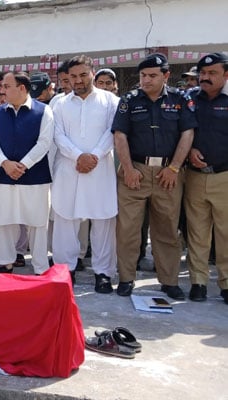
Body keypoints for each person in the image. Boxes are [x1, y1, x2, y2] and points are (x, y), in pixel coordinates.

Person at [112, 53, 196, 300]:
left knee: (167, 229)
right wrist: (127, 169)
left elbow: (188, 133)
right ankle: (126, 278)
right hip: (135, 170)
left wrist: (174, 168)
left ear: (166, 76)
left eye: (152, 76)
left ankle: (169, 281)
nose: (146, 80)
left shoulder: (180, 99)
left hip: (167, 174)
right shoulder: (129, 100)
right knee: (128, 229)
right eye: (143, 76)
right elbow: (120, 135)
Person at [50, 55, 119, 291]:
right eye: (73, 77)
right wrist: (78, 155)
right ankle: (65, 270)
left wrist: (95, 156)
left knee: (102, 221)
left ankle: (103, 273)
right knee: (65, 220)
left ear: (92, 73)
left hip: (100, 169)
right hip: (69, 168)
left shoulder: (110, 101)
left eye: (82, 75)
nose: (78, 80)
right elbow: (57, 134)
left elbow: (114, 132)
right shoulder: (59, 103)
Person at [0, 72, 53, 275]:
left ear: (22, 88)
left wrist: (23, 165)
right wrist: (5, 164)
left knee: (37, 222)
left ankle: (40, 267)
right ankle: (5, 264)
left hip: (35, 177)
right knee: (4, 221)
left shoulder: (44, 111)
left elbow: (44, 143)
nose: (2, 90)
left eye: (7, 86)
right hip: (3, 177)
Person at [185, 52, 228, 304]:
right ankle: (198, 282)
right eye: (202, 73)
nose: (205, 78)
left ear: (226, 74)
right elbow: (182, 131)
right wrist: (189, 150)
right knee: (197, 233)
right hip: (194, 177)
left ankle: (225, 283)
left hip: (224, 176)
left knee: (225, 233)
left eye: (212, 73)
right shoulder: (190, 99)